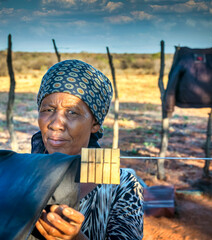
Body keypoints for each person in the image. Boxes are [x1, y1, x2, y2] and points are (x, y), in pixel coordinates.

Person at [31, 59, 144, 240]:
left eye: (72, 112)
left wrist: (76, 238)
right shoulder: (22, 172)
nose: (55, 124)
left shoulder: (121, 184)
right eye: (48, 109)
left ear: (95, 124)